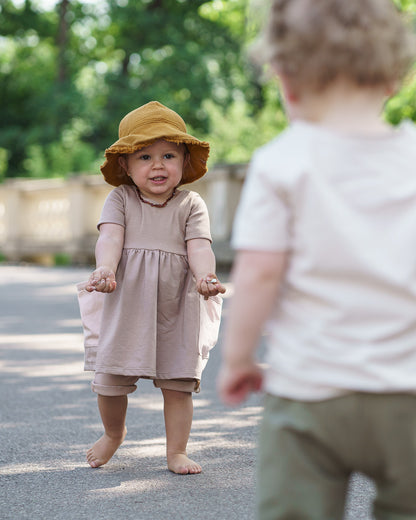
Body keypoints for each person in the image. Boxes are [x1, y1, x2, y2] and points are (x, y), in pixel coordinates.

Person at [217, 0, 416, 518]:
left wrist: (238, 359)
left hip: (309, 394)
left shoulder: (282, 162)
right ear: (395, 76)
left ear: (284, 79)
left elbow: (259, 273)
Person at [77, 101, 226, 475]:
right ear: (126, 164)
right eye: (145, 156)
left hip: (177, 304)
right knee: (110, 381)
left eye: (168, 155)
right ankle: (114, 433)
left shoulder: (191, 203)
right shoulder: (122, 199)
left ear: (184, 160)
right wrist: (105, 268)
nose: (158, 165)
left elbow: (199, 247)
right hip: (126, 300)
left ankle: (176, 451)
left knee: (178, 382)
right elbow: (110, 237)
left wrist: (205, 276)